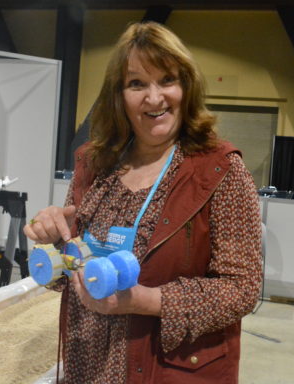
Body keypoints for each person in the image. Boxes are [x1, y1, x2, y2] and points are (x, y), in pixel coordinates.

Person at [24, 21, 262, 384]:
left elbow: (242, 288)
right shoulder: (94, 164)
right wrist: (52, 242)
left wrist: (144, 301)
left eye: (167, 79)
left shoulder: (220, 170)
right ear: (118, 95)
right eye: (137, 84)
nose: (154, 98)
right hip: (86, 366)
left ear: (187, 86)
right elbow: (73, 274)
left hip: (167, 370)